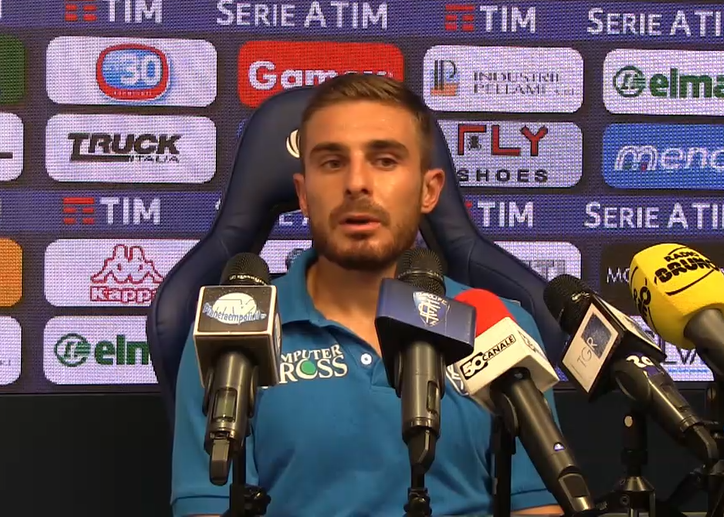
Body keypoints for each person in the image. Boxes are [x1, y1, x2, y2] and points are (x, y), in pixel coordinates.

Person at [171, 74, 565, 516]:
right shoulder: (226, 331)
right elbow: (206, 506)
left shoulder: (496, 325)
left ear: (429, 190)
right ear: (303, 193)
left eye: (385, 160)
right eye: (332, 162)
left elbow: (537, 506)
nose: (357, 182)